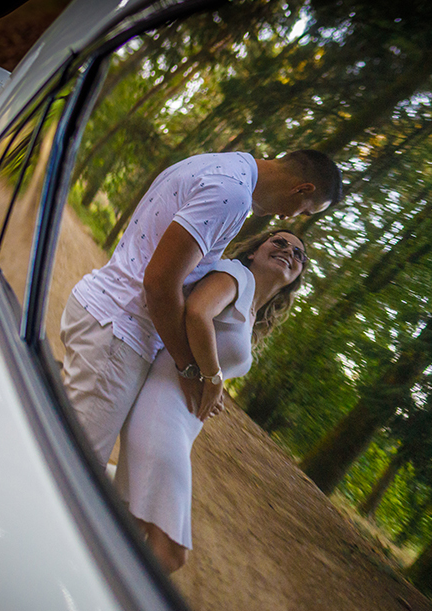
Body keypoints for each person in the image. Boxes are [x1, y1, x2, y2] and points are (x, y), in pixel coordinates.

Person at [60, 149, 341, 465]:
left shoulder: (221, 165)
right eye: (305, 211)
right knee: (68, 465)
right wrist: (190, 368)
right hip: (119, 333)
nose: (288, 217)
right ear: (302, 189)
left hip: (105, 314)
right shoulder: (232, 193)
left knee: (58, 446)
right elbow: (159, 283)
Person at [113, 229, 308, 572]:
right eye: (279, 242)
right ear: (254, 251)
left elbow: (209, 355)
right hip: (161, 412)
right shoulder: (236, 275)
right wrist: (214, 378)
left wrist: (211, 384)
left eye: (298, 254)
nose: (288, 251)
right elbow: (197, 312)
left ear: (296, 277)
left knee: (128, 525)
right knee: (170, 553)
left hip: (182, 426)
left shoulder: (252, 313)